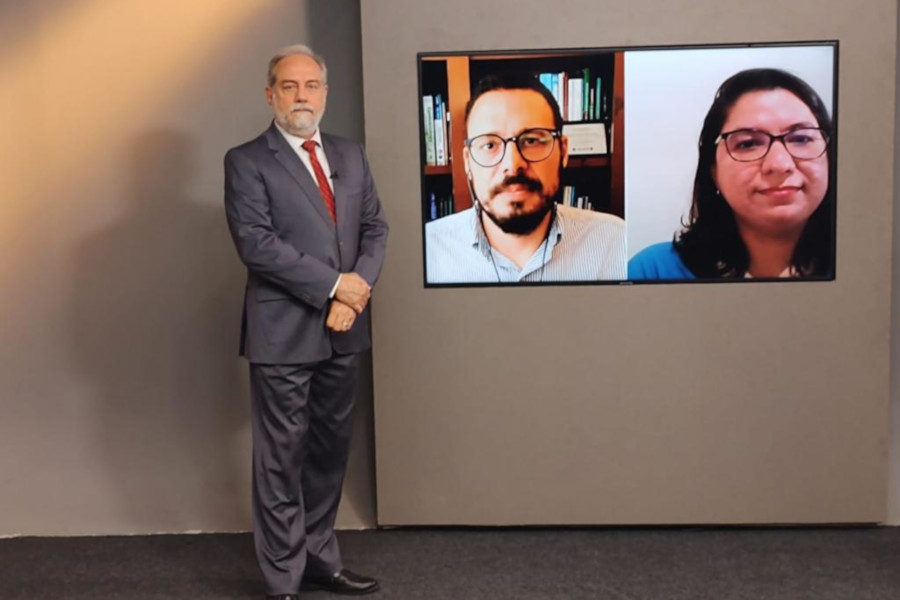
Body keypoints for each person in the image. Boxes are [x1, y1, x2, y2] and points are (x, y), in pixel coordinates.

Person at [224, 44, 388, 600]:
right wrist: (334, 285)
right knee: (280, 460)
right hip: (283, 335)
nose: (301, 96)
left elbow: (374, 230)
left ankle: (321, 559)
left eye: (311, 85)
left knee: (327, 454)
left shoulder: (351, 153)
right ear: (270, 94)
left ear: (325, 92)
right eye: (289, 86)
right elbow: (257, 245)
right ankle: (284, 579)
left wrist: (355, 294)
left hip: (346, 330)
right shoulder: (245, 161)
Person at [628, 68, 834, 280]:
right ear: (713, 170)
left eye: (801, 139)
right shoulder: (652, 271)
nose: (780, 164)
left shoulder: (863, 263)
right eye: (748, 143)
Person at [425, 73, 626, 284]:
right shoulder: (427, 250)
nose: (512, 165)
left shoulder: (616, 244)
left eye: (531, 140)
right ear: (468, 161)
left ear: (563, 151)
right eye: (490, 145)